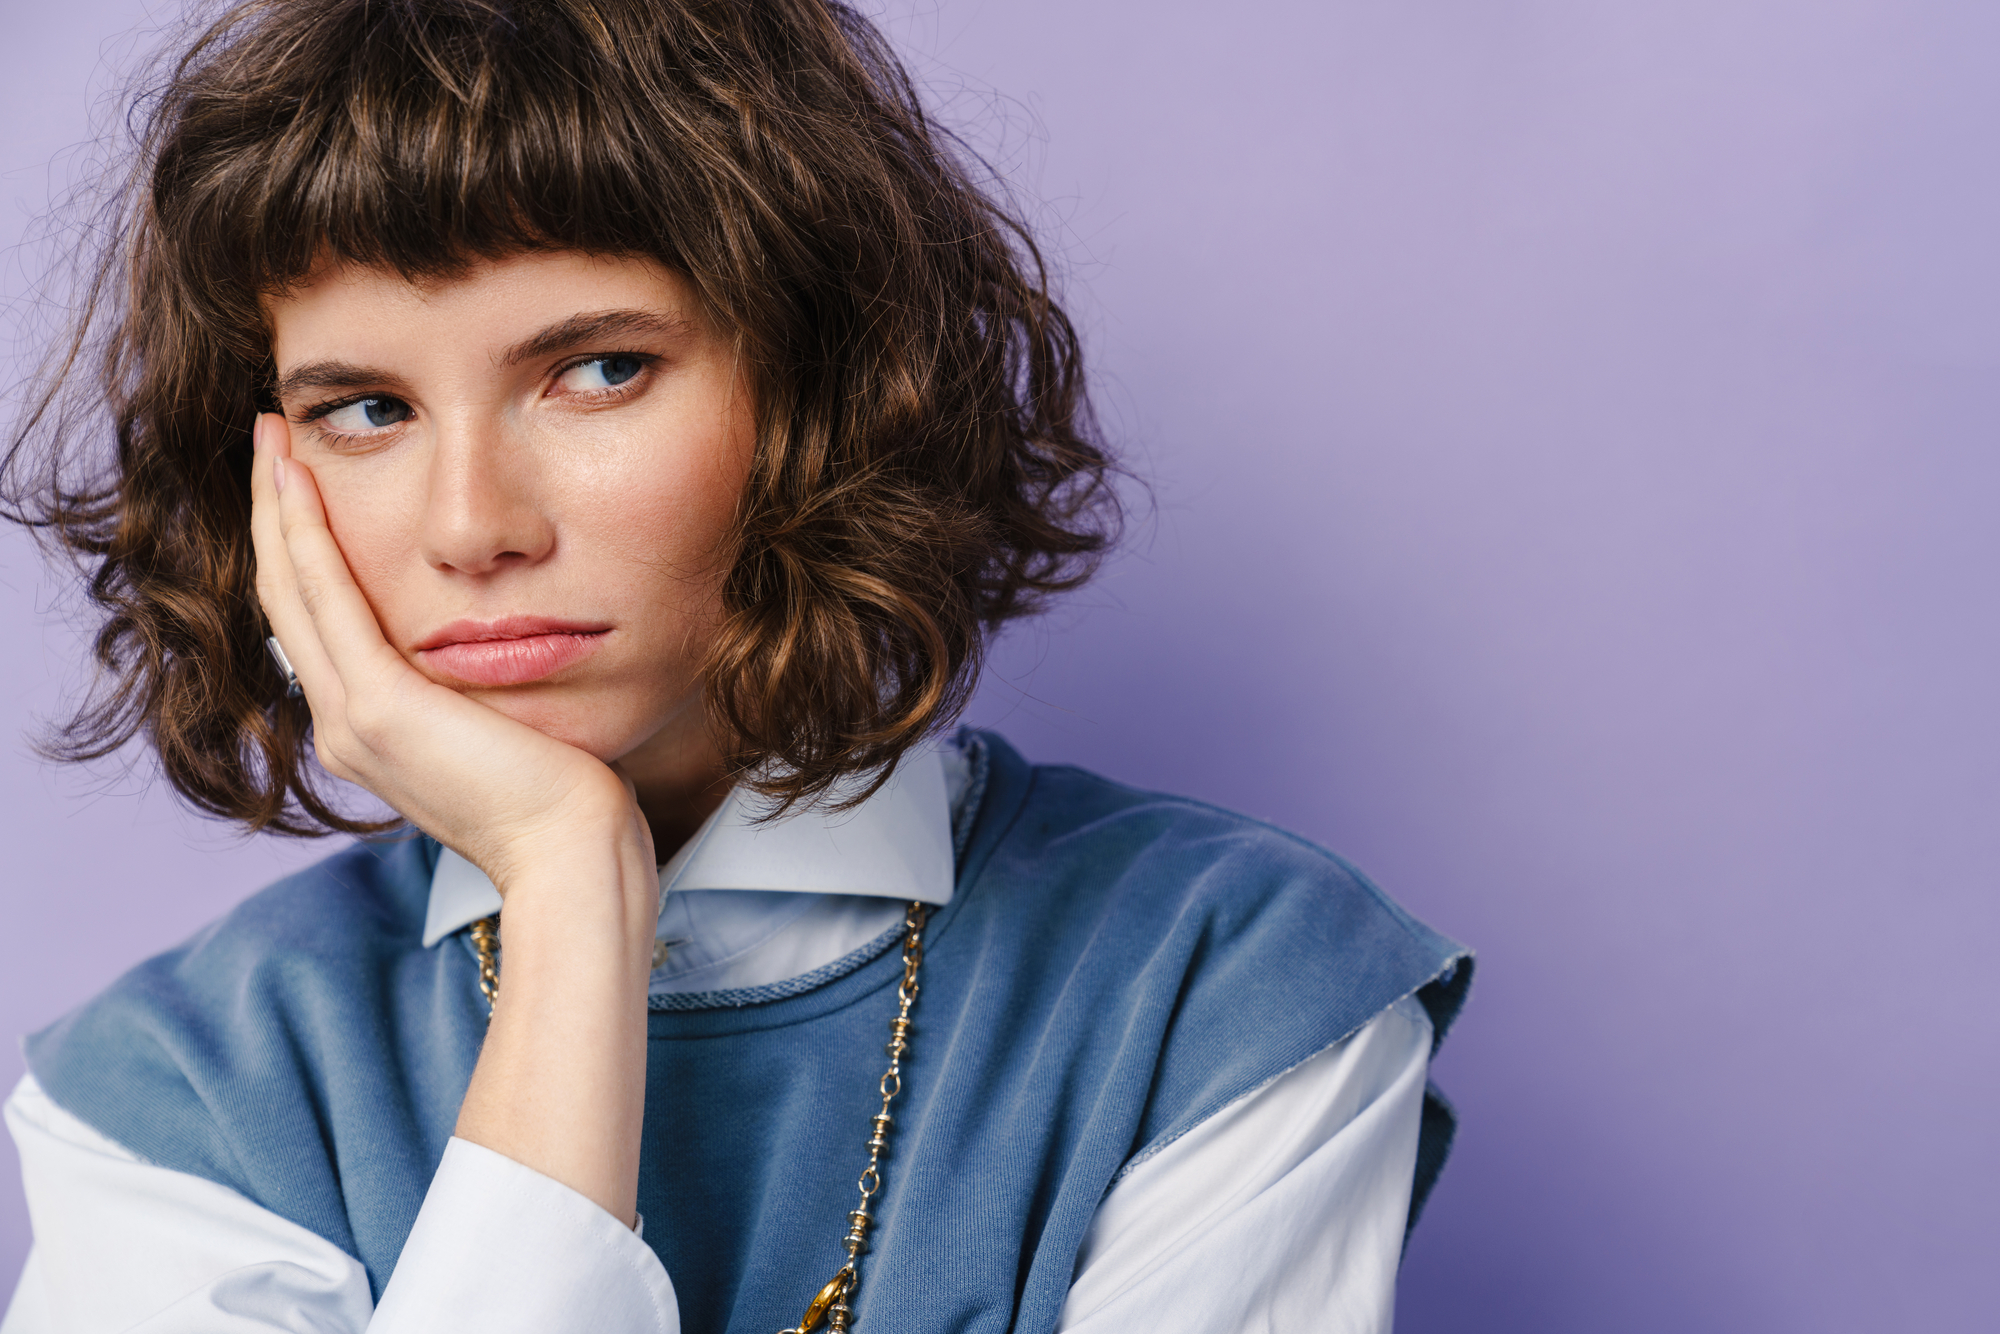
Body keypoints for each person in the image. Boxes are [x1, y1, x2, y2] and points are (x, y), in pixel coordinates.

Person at [0, 1, 1471, 1331]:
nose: (471, 526)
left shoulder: (1225, 982)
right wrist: (573, 884)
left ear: (818, 392)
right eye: (367, 408)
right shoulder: (167, 1094)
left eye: (597, 368)